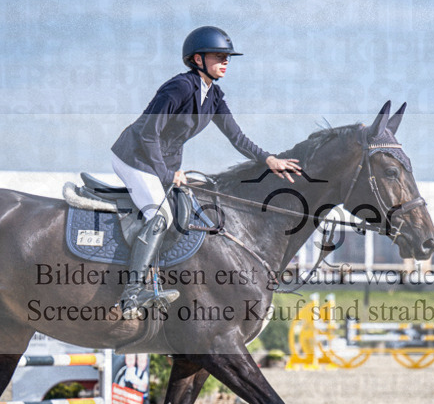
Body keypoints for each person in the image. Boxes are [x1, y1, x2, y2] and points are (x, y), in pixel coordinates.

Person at [110, 26, 301, 318]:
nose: (225, 62)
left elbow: (237, 137)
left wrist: (268, 159)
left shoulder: (214, 96)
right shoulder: (180, 87)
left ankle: (162, 283)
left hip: (161, 163)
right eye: (218, 56)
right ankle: (131, 295)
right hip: (134, 158)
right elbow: (149, 133)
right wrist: (166, 173)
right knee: (159, 216)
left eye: (228, 57)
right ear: (197, 59)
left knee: (187, 214)